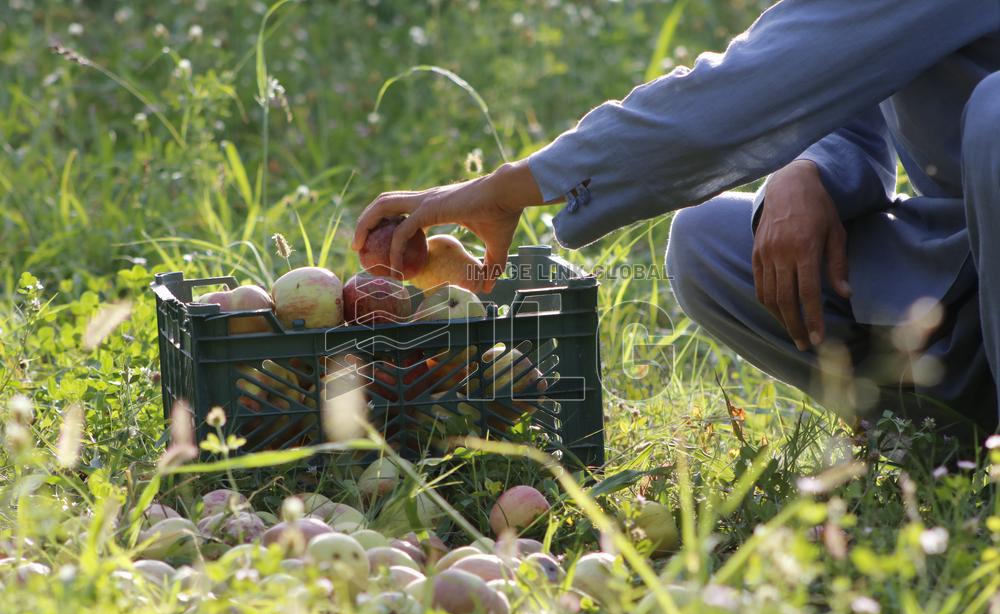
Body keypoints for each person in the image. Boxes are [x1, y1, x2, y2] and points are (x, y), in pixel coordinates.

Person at [353, 0, 1000, 446]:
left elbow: (739, 94)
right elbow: (840, 80)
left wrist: (510, 188)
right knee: (710, 243)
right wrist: (812, 170)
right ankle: (952, 443)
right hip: (969, 261)